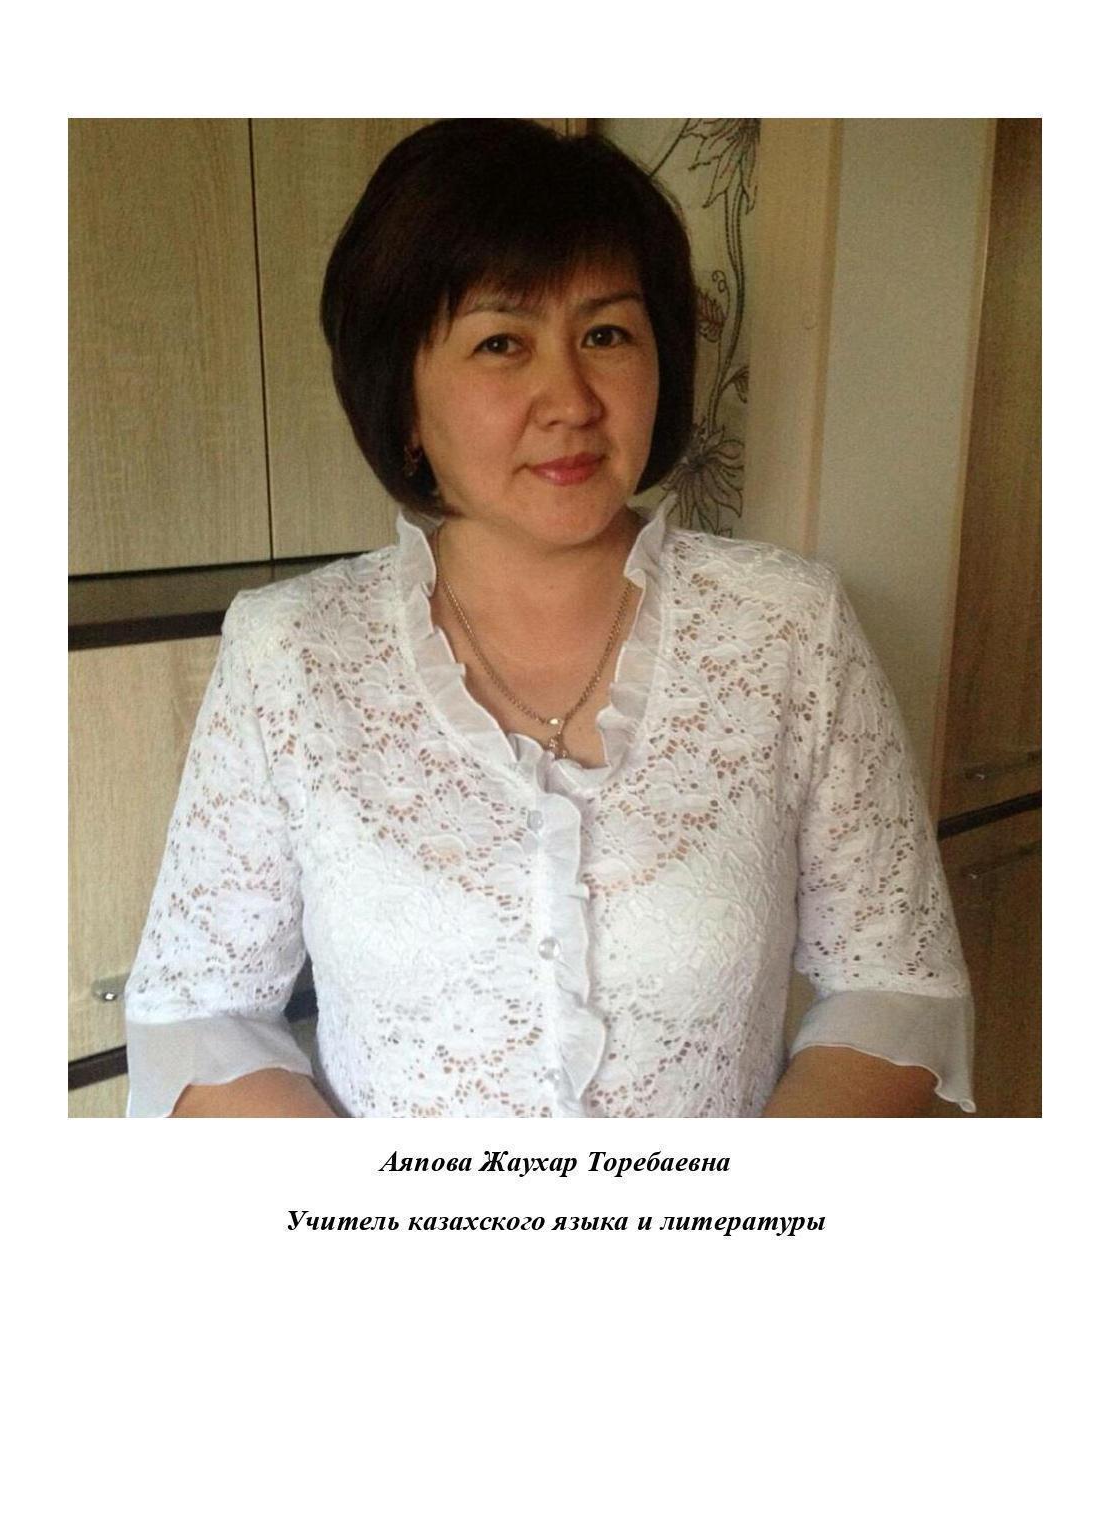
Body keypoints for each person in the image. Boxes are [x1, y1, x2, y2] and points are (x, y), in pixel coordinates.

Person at [124, 118, 973, 1119]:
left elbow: (894, 982)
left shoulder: (788, 627)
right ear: (403, 398)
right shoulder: (291, 650)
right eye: (500, 343)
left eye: (605, 335)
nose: (568, 398)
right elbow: (200, 1010)